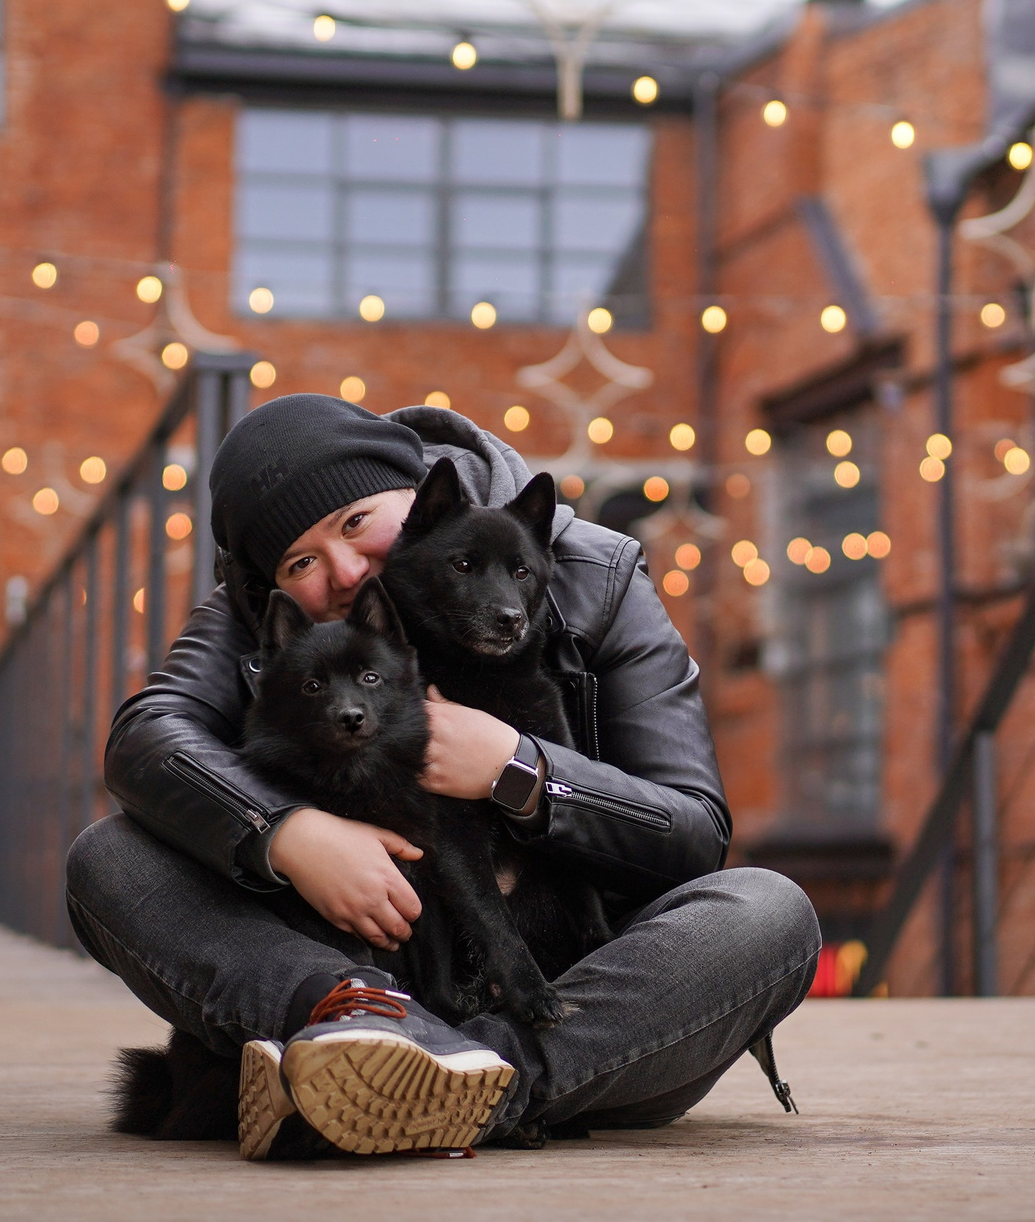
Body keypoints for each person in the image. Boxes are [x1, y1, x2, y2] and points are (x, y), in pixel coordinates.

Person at [66, 394, 819, 1158]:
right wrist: (286, 834)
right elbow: (145, 740)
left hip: (586, 1004)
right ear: (271, 583)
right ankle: (368, 1032)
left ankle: (469, 1078)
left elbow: (692, 831)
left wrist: (519, 770)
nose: (347, 571)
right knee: (109, 857)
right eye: (303, 562)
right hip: (370, 969)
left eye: (358, 523)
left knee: (770, 911)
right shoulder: (257, 611)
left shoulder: (595, 574)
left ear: (420, 493)